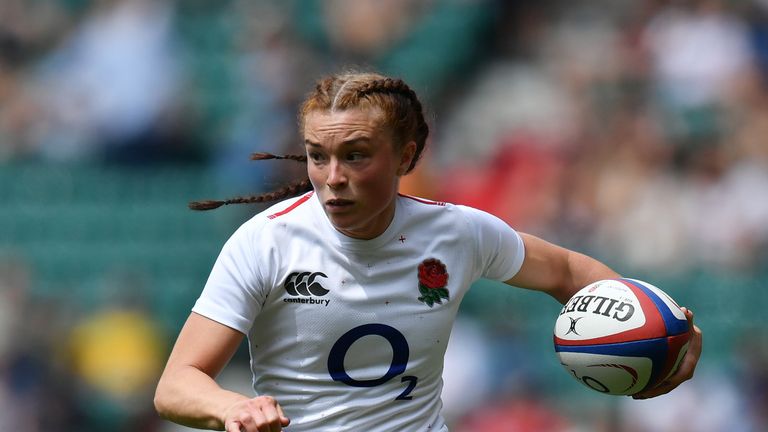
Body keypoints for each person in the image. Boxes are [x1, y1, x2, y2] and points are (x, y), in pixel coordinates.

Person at [153, 71, 703, 431]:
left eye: (357, 155)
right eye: (317, 156)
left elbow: (566, 270)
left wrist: (660, 324)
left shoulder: (458, 233)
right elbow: (176, 384)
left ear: (405, 156)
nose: (332, 178)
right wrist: (233, 407)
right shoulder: (265, 241)